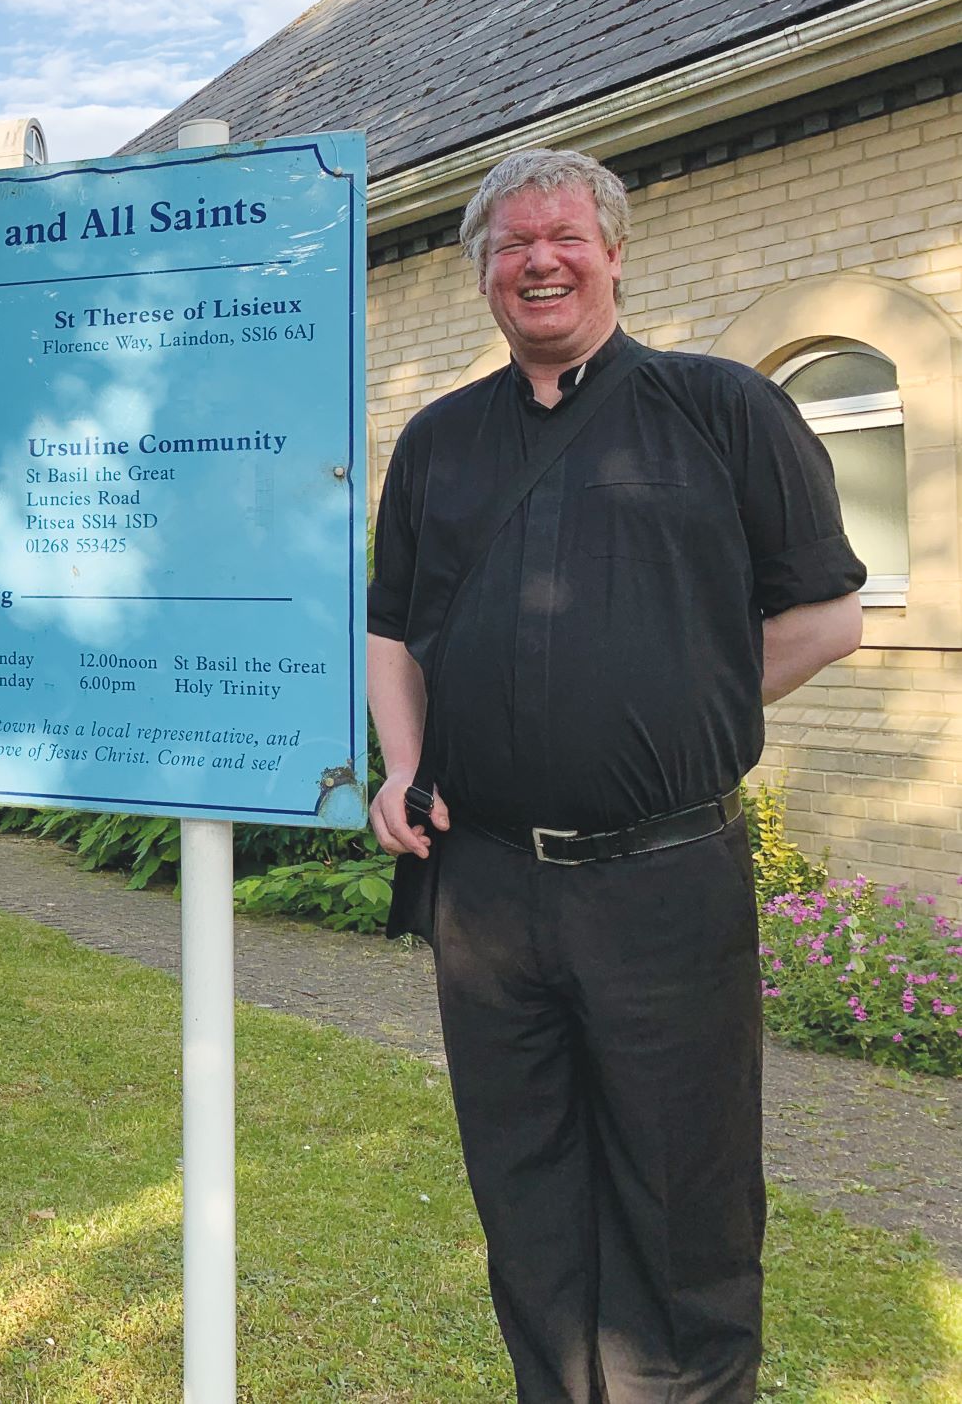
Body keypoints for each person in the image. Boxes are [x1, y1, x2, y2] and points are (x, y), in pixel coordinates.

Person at [366, 149, 865, 1404]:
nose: (538, 259)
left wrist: (677, 706)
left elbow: (825, 617)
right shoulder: (436, 442)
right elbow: (392, 633)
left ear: (612, 253)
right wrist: (401, 768)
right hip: (483, 885)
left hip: (661, 878)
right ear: (482, 272)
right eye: (509, 244)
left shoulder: (721, 409)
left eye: (563, 237)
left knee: (678, 1190)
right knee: (524, 1185)